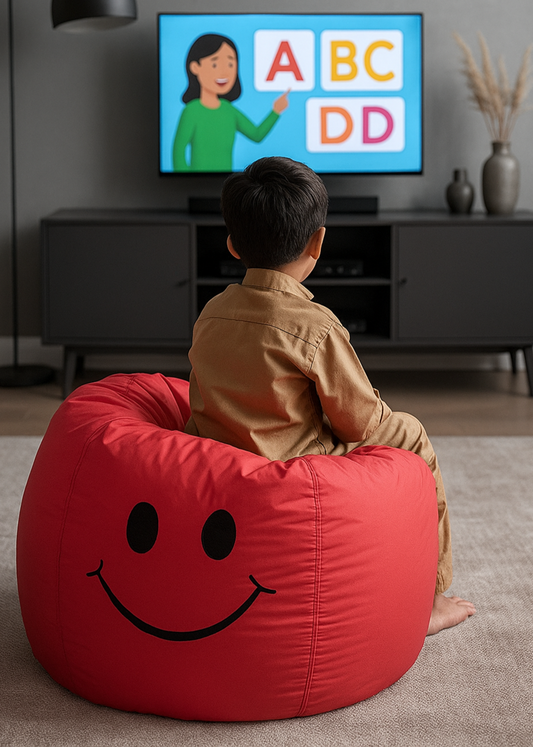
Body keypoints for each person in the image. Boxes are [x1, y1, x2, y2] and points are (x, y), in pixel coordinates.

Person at [185, 156, 476, 635]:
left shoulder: (211, 312)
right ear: (317, 243)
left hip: (223, 461)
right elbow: (357, 423)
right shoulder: (316, 327)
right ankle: (433, 596)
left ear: (232, 243)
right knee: (410, 431)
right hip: (295, 468)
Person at [172, 34, 289, 172]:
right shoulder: (191, 111)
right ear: (195, 67)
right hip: (196, 182)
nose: (224, 72)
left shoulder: (229, 110)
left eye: (230, 64)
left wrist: (276, 111)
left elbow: (257, 135)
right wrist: (188, 178)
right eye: (215, 64)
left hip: (229, 183)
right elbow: (178, 151)